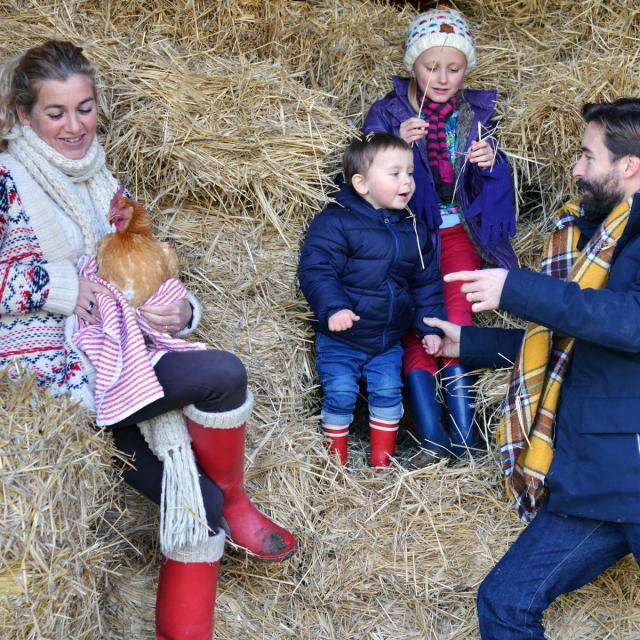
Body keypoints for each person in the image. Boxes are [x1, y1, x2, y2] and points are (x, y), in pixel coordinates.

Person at [0, 40, 296, 640]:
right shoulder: (8, 180)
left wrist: (176, 309)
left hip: (115, 353)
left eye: (84, 108)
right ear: (23, 115)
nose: (74, 125)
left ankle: (225, 514)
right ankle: (234, 505)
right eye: (55, 113)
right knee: (220, 376)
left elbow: (134, 269)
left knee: (200, 507)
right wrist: (56, 286)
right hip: (56, 377)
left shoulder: (101, 176)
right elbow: (50, 281)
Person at [425, 98, 640, 639]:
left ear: (629, 165)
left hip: (628, 463)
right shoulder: (600, 237)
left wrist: (516, 288)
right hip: (595, 477)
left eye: (587, 156)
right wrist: (468, 345)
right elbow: (572, 347)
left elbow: (630, 323)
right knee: (504, 604)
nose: (577, 169)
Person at [362, 5, 518, 461]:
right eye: (432, 67)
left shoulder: (476, 112)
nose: (443, 77)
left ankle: (466, 437)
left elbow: (495, 179)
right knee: (414, 324)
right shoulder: (390, 111)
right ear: (413, 64)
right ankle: (432, 435)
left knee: (455, 319)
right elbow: (362, 175)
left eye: (455, 68)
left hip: (456, 234)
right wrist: (394, 144)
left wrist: (493, 164)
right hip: (406, 233)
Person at [298, 132, 445, 467]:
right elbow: (317, 268)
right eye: (395, 174)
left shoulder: (413, 228)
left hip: (386, 340)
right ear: (362, 184)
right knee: (340, 394)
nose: (407, 181)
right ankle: (335, 465)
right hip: (342, 337)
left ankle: (381, 464)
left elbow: (426, 284)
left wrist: (430, 327)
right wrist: (333, 307)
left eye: (410, 173)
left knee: (389, 394)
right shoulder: (335, 221)